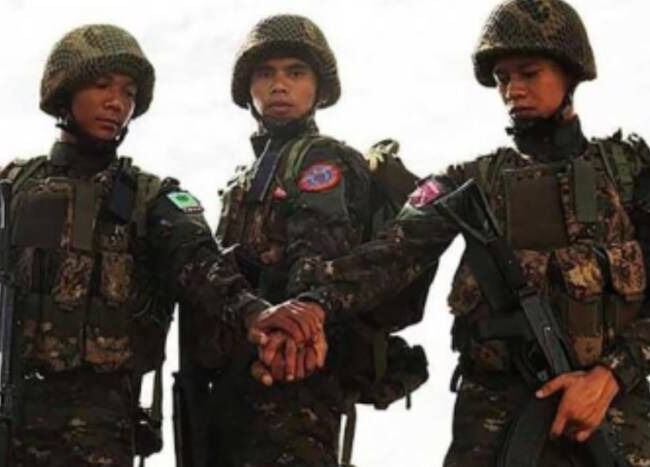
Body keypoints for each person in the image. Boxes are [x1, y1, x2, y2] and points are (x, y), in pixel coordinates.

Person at [273, 0, 650, 465]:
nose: (513, 90)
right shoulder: (467, 182)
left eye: (529, 73)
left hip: (614, 419)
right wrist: (310, 306)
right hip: (493, 418)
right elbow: (393, 252)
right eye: (502, 79)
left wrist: (611, 375)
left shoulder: (629, 171)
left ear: (571, 73)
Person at [0, 23, 323, 467]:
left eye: (128, 93)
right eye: (102, 85)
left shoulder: (153, 198)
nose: (116, 103)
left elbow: (201, 265)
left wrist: (254, 312)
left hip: (95, 433)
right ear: (64, 91)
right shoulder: (6, 187)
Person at [208, 14, 428, 467]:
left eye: (295, 72)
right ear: (248, 88)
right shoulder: (243, 180)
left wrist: (281, 342)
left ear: (319, 88)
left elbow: (318, 256)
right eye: (265, 74)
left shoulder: (322, 159)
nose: (279, 85)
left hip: (298, 376)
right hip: (237, 376)